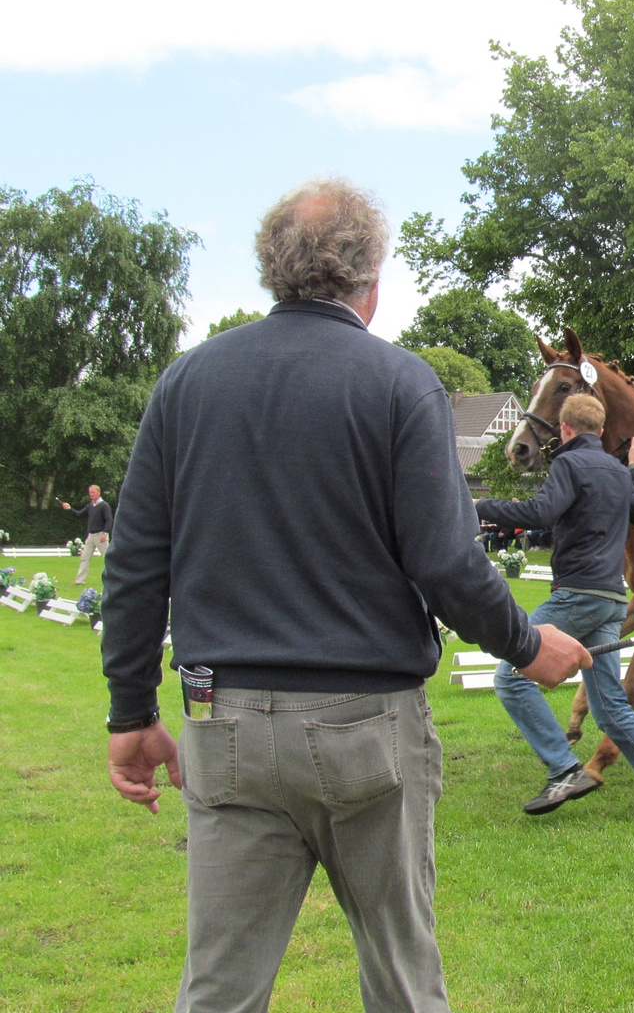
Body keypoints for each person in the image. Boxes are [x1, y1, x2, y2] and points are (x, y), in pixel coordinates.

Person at [99, 179, 591, 1013]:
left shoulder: (187, 382)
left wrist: (128, 711)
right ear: (373, 280)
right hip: (368, 728)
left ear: (271, 270)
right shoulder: (400, 384)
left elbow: (138, 561)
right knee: (403, 981)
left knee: (217, 990)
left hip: (223, 724)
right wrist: (525, 642)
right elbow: (444, 557)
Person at [477, 394, 634, 820]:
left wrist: (476, 508)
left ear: (564, 429)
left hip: (577, 597)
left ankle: (564, 768)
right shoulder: (618, 471)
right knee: (610, 707)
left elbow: (541, 513)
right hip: (612, 601)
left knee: (511, 676)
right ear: (600, 431)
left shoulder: (567, 464)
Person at [61, 484, 112, 584]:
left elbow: (109, 520)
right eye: (90, 493)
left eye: (93, 492)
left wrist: (105, 533)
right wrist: (69, 508)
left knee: (108, 557)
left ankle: (115, 577)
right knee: (84, 558)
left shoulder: (104, 505)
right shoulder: (90, 505)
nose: (91, 494)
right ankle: (80, 580)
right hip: (91, 536)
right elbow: (79, 514)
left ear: (98, 492)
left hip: (100, 535)